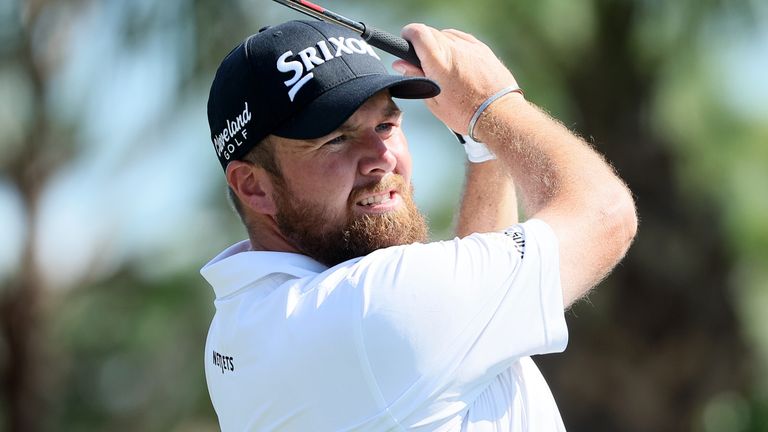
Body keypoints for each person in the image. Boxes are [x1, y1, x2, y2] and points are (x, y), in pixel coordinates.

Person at [202, 19, 637, 431]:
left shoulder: (239, 328)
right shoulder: (369, 311)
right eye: (336, 139)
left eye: (386, 124)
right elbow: (605, 215)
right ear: (253, 185)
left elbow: (468, 327)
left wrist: (483, 147)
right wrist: (495, 104)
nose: (383, 157)